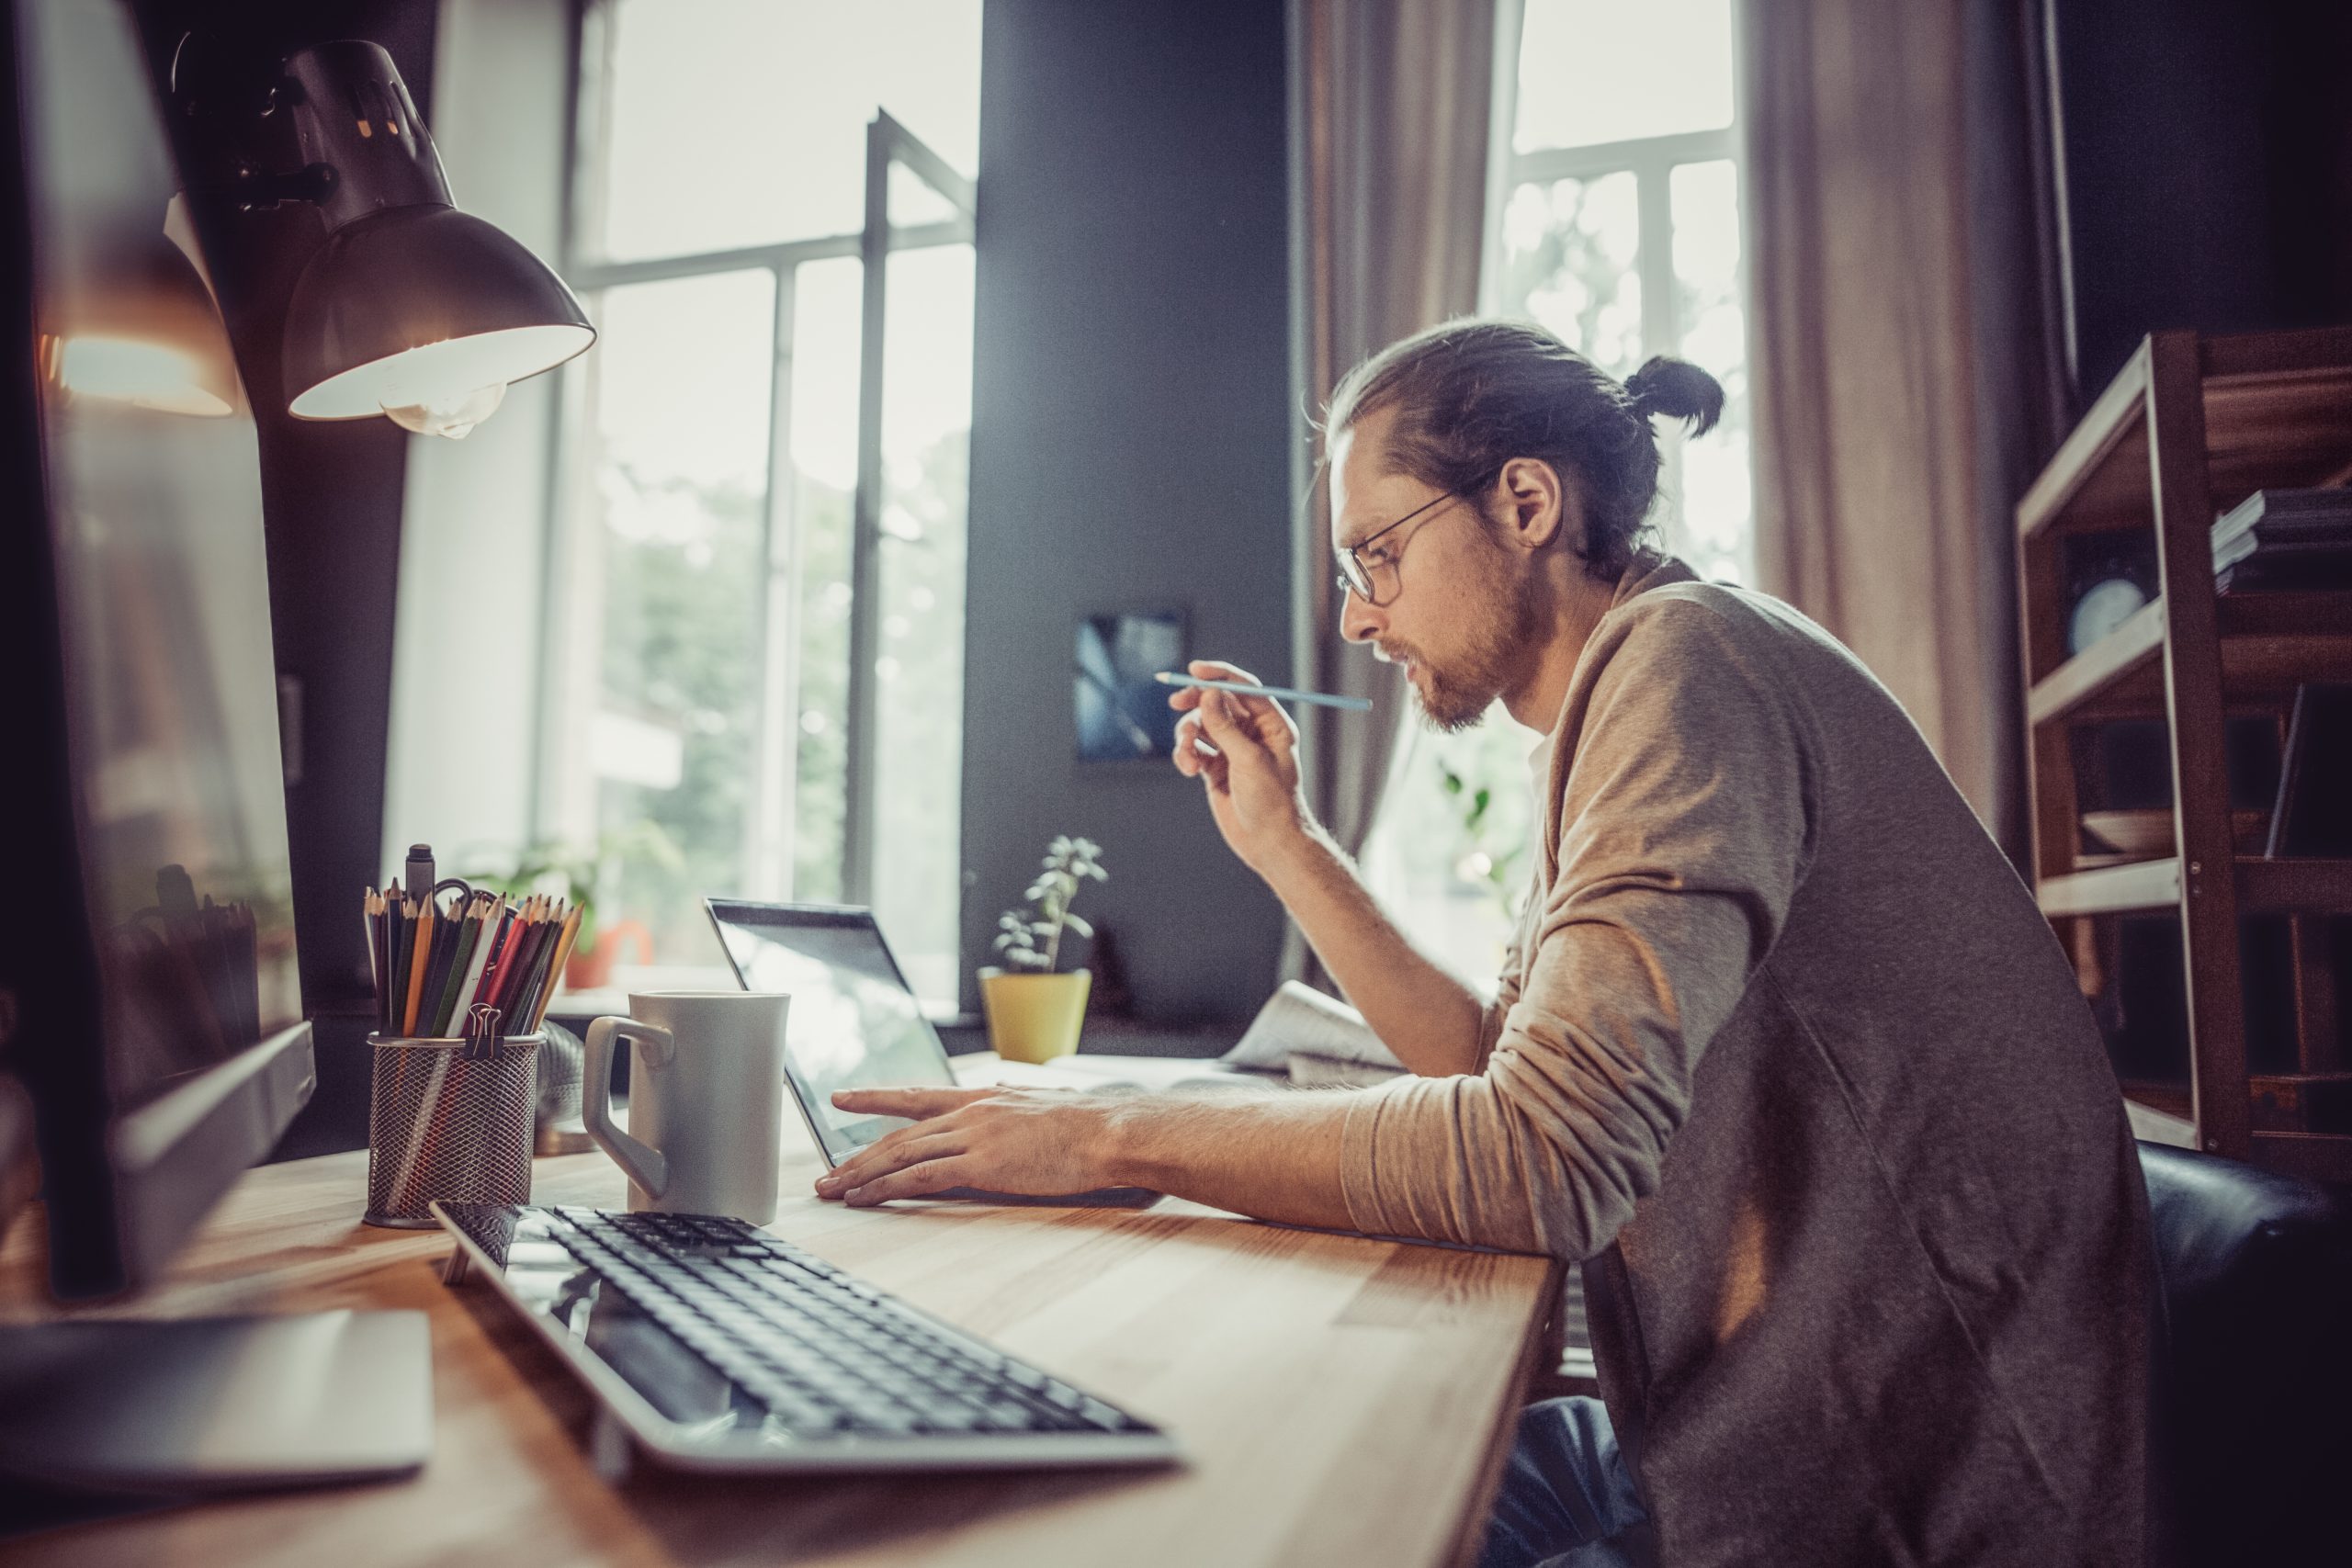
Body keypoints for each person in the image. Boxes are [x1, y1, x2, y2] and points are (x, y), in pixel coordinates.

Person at [816, 320, 2153, 1567]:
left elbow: (1547, 1157)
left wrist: (1104, 1137)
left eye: (1375, 558)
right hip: (1747, 1439)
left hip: (1904, 1501)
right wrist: (1288, 844)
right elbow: (1495, 1061)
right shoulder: (1640, 686)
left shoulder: (1686, 671)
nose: (1355, 616)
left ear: (1526, 504)